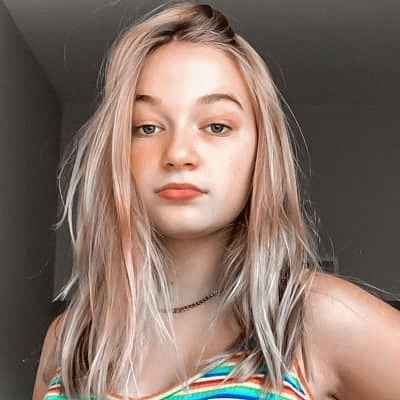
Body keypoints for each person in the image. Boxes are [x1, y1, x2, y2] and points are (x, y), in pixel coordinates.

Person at [32, 1, 400, 400]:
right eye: (147, 127)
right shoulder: (67, 339)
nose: (178, 153)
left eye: (217, 126)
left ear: (261, 150)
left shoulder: (319, 318)